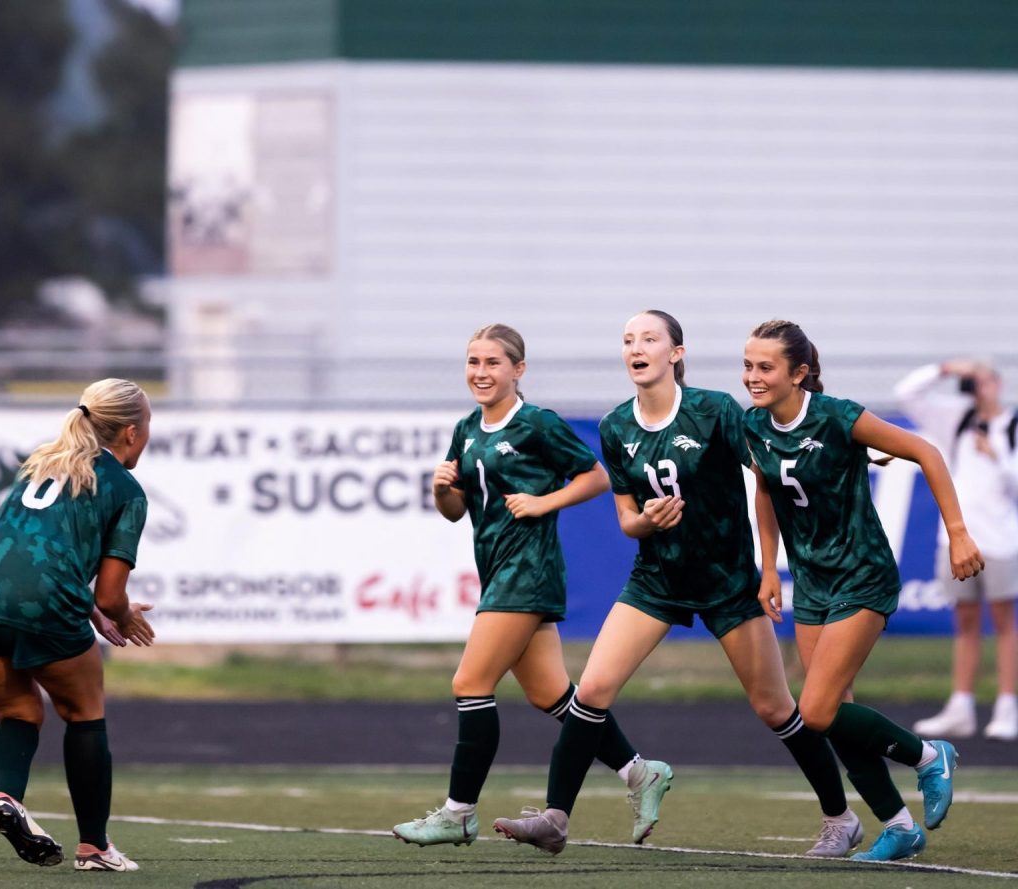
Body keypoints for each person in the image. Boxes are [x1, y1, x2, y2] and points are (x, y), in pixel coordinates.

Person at [492, 310, 858, 858]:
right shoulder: (617, 427)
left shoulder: (713, 410)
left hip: (726, 580)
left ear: (676, 353)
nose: (635, 348)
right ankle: (555, 818)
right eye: (627, 340)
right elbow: (625, 518)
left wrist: (766, 567)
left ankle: (841, 818)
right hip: (656, 579)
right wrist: (648, 520)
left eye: (648, 338)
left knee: (775, 707)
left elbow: (769, 474)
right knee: (590, 692)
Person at [742, 320, 984, 862]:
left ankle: (928, 755)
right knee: (835, 710)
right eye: (748, 365)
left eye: (765, 367)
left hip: (863, 574)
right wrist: (769, 568)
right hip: (813, 580)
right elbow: (763, 487)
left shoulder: (837, 416)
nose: (752, 377)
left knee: (817, 709)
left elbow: (927, 452)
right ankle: (899, 826)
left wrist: (958, 533)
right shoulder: (752, 425)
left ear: (799, 373)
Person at [392, 323, 639, 848]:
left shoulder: (536, 424)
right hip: (498, 570)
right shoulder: (466, 429)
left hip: (527, 571)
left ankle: (459, 812)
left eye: (492, 363)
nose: (481, 373)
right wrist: (440, 491)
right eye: (473, 362)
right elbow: (457, 512)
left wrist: (544, 502)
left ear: (517, 370)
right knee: (549, 692)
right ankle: (639, 771)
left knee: (469, 684)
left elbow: (596, 477)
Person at [0, 378, 156, 872]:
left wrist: (88, 605)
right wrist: (119, 613)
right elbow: (108, 593)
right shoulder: (126, 489)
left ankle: (6, 799)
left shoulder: (43, 464)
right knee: (83, 711)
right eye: (147, 426)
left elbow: (28, 551)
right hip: (43, 597)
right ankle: (95, 849)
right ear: (130, 432)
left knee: (19, 711)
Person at [895, 359, 1018, 742]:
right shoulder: (956, 419)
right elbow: (906, 394)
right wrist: (946, 368)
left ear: (998, 383)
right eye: (973, 381)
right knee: (964, 623)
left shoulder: (1011, 427)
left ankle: (1006, 707)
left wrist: (995, 452)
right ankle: (960, 706)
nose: (978, 388)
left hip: (1000, 540)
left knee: (1004, 623)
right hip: (957, 541)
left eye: (984, 380)